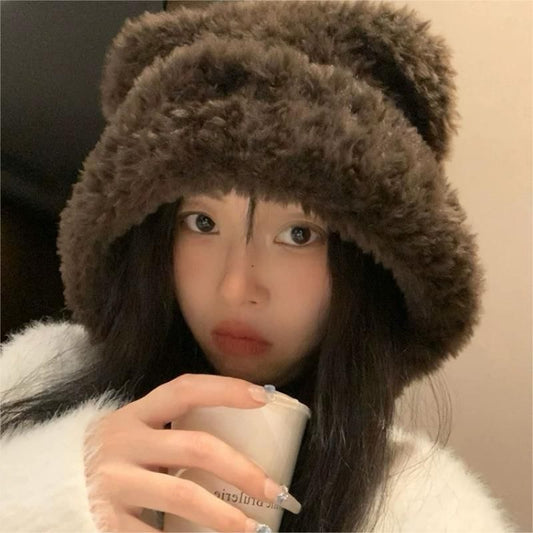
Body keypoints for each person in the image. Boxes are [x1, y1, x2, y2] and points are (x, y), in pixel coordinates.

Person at [0, 1, 518, 532]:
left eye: (299, 234)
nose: (236, 287)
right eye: (202, 222)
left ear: (369, 263)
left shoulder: (420, 505)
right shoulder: (36, 375)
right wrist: (56, 494)